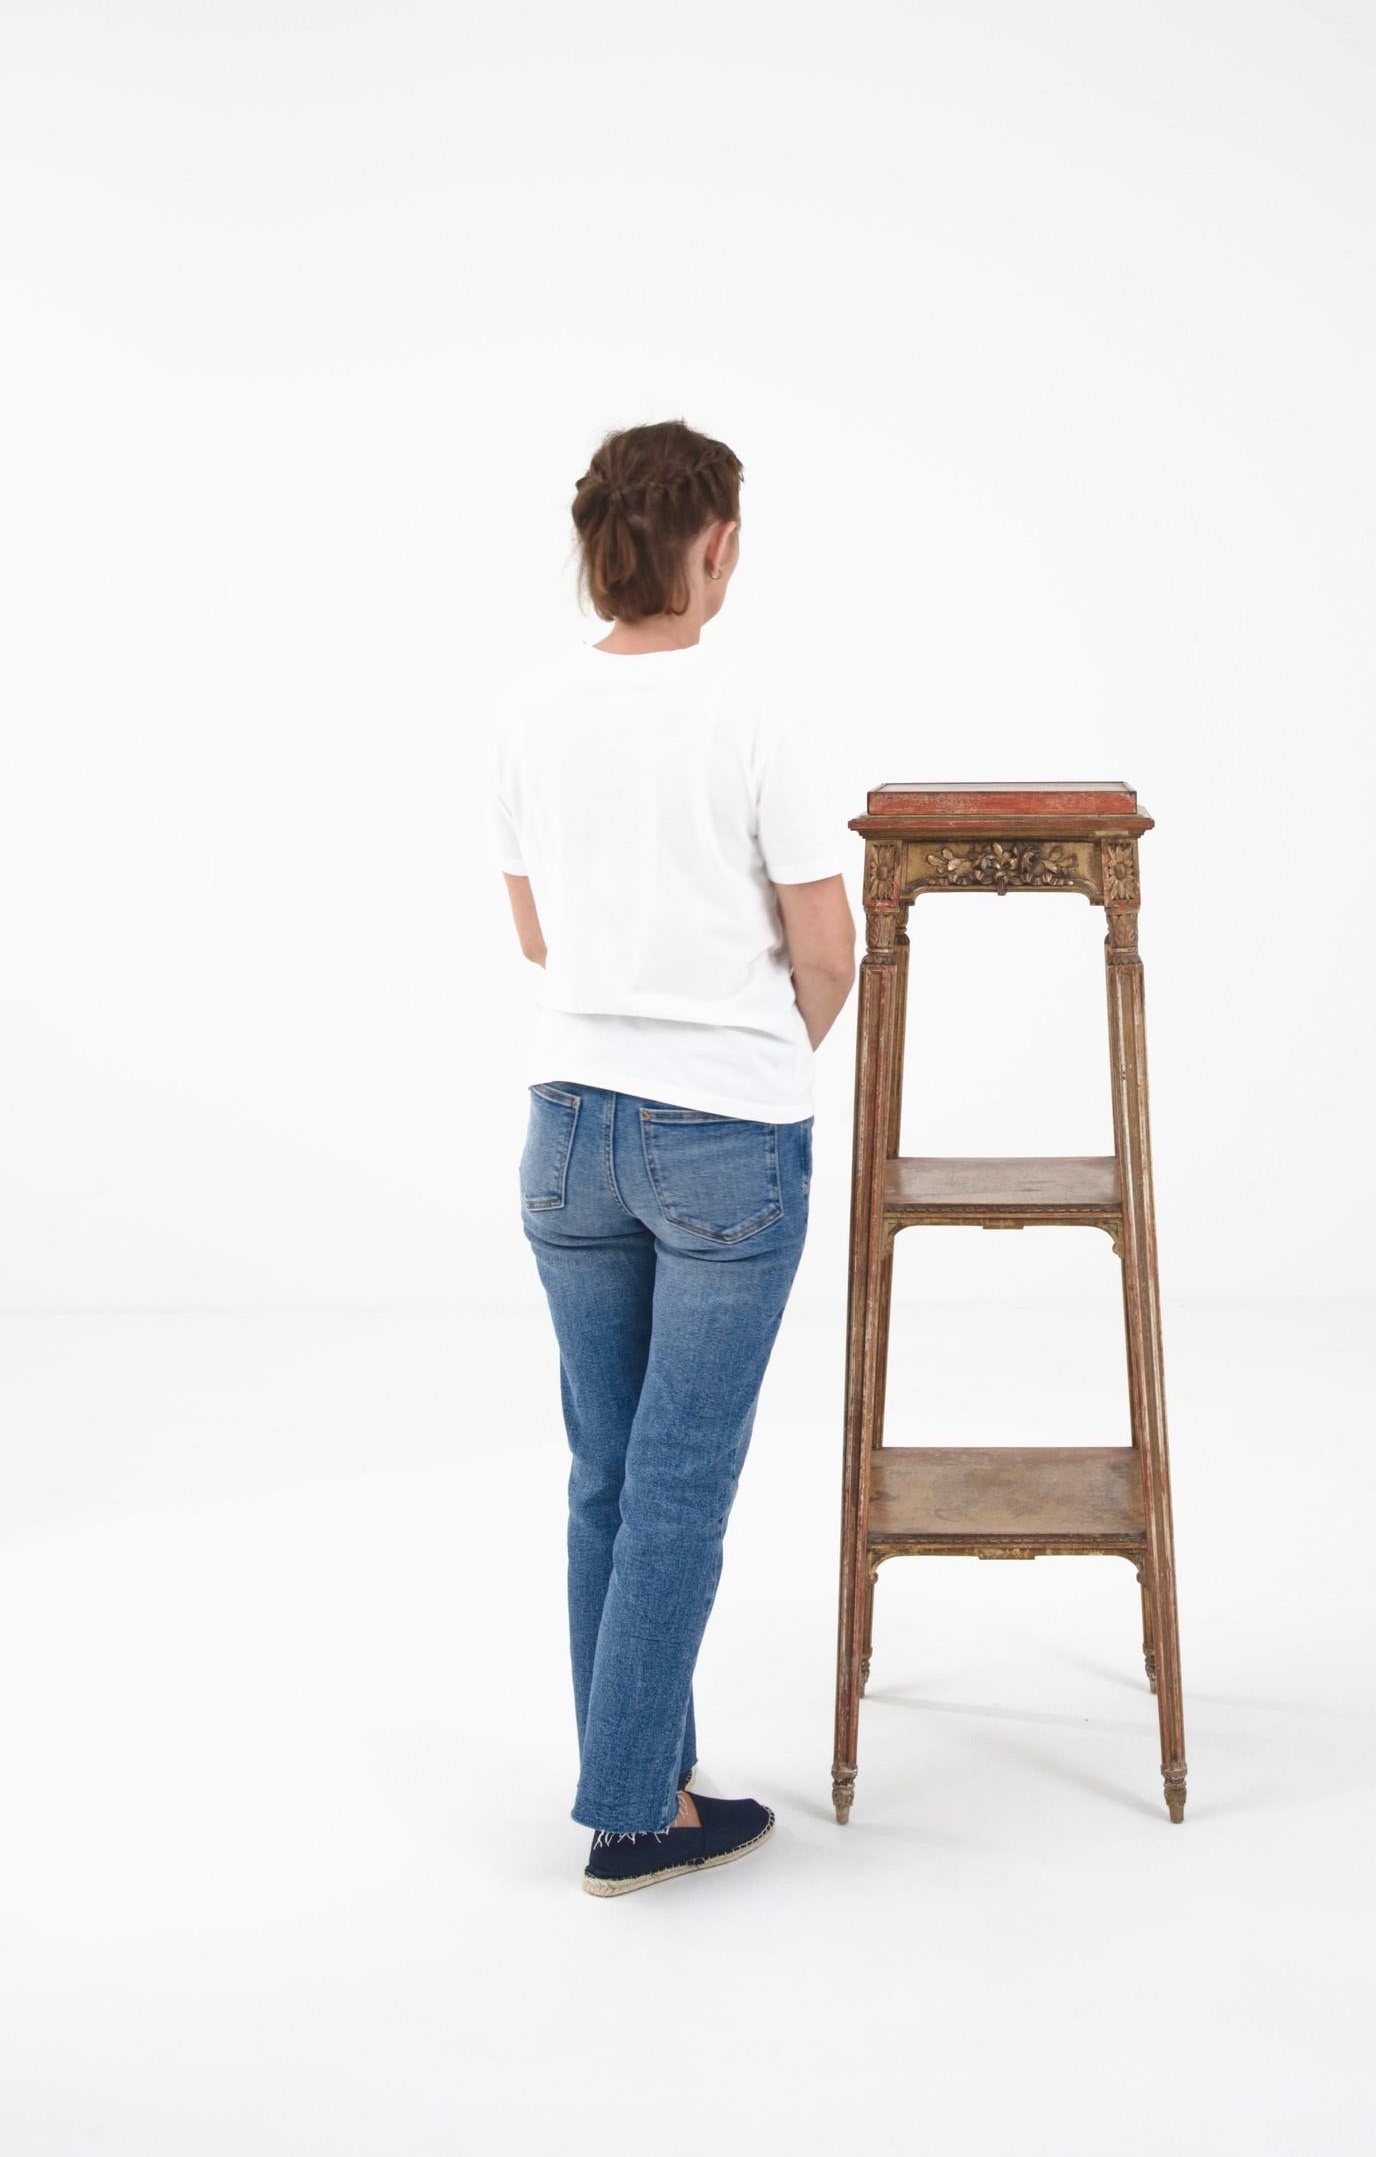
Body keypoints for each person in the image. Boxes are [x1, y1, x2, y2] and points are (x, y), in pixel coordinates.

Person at [492, 419, 857, 1896]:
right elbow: (827, 949)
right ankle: (635, 1815)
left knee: (609, 1477)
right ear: (712, 544)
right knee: (681, 1486)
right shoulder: (758, 705)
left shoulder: (530, 705)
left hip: (566, 1127)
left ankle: (650, 1774)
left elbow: (535, 932)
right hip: (721, 1138)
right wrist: (751, 1063)